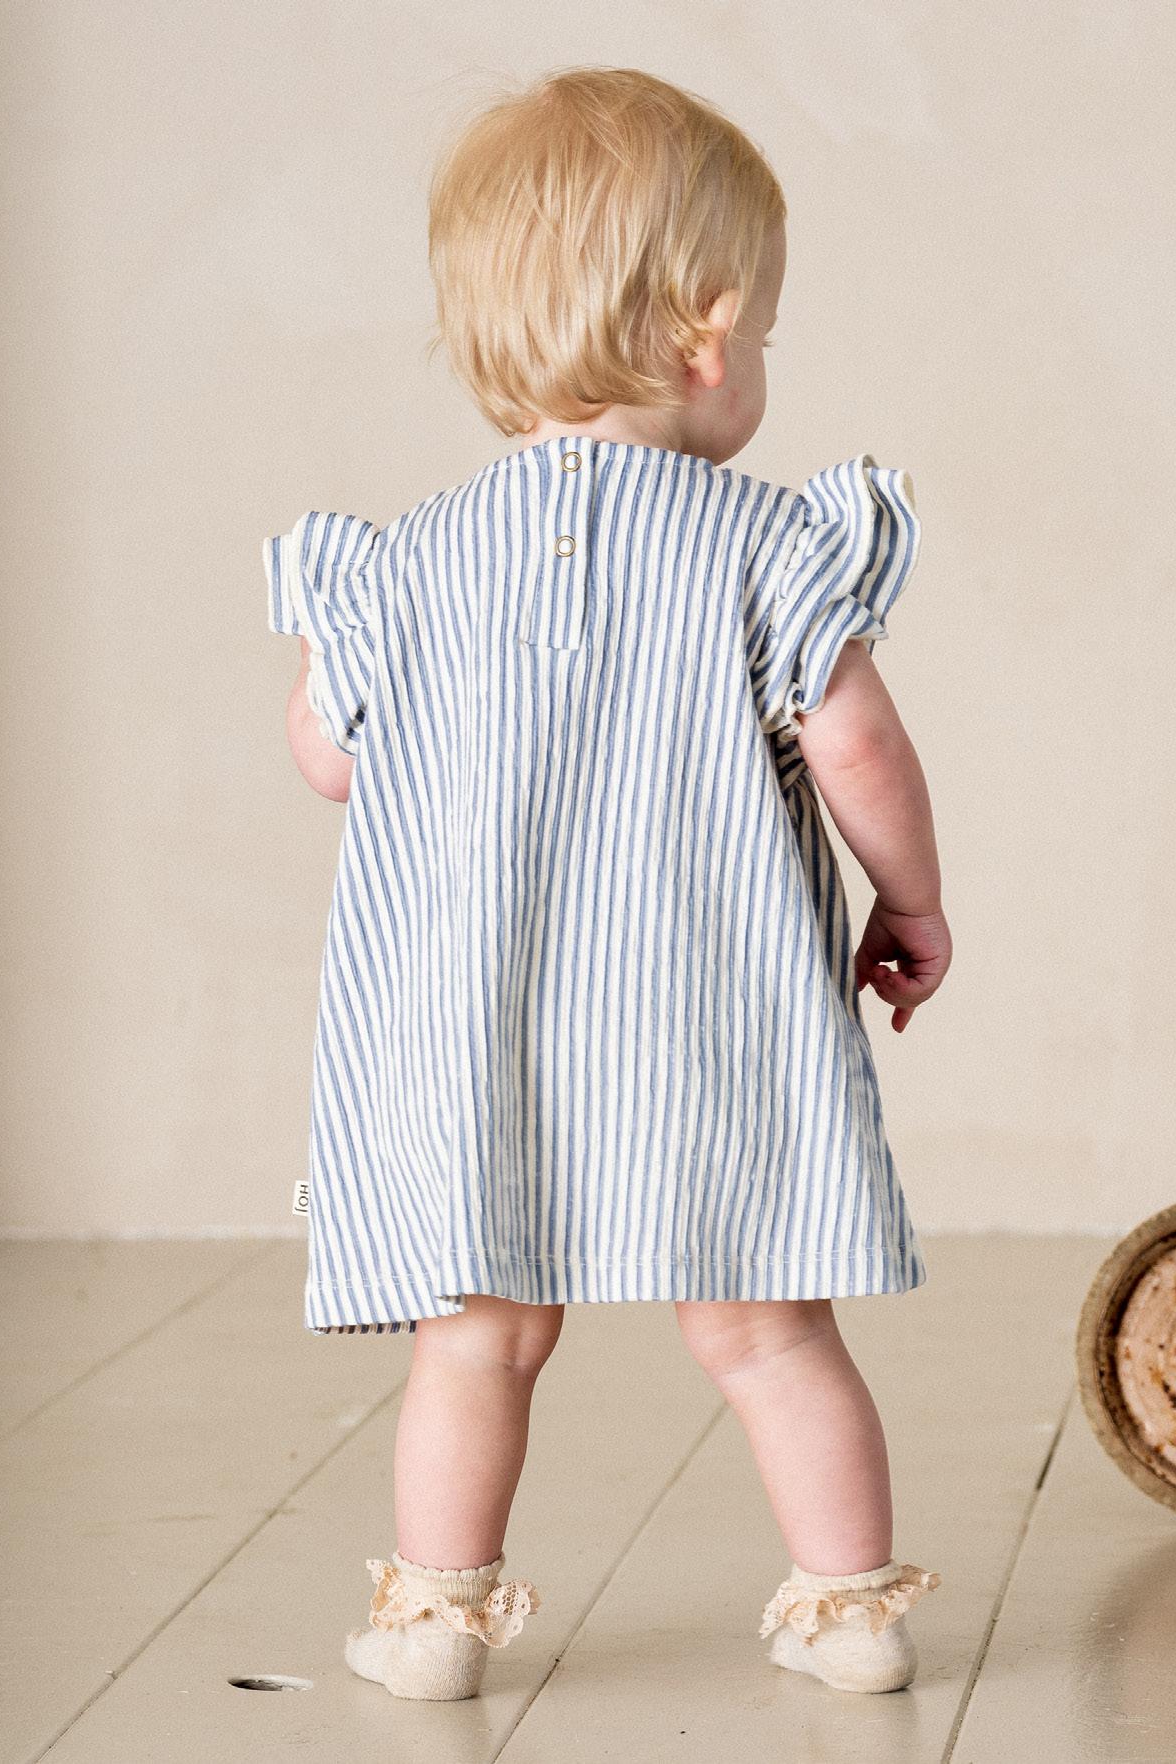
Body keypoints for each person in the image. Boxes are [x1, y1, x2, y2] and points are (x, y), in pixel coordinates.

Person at [263, 64, 950, 1704]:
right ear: (708, 338)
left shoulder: (407, 561)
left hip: (478, 1037)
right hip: (706, 1019)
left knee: (478, 1336)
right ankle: (849, 1611)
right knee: (766, 1329)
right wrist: (911, 899)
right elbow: (856, 743)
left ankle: (434, 1622)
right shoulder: (765, 544)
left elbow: (330, 760)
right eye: (762, 333)